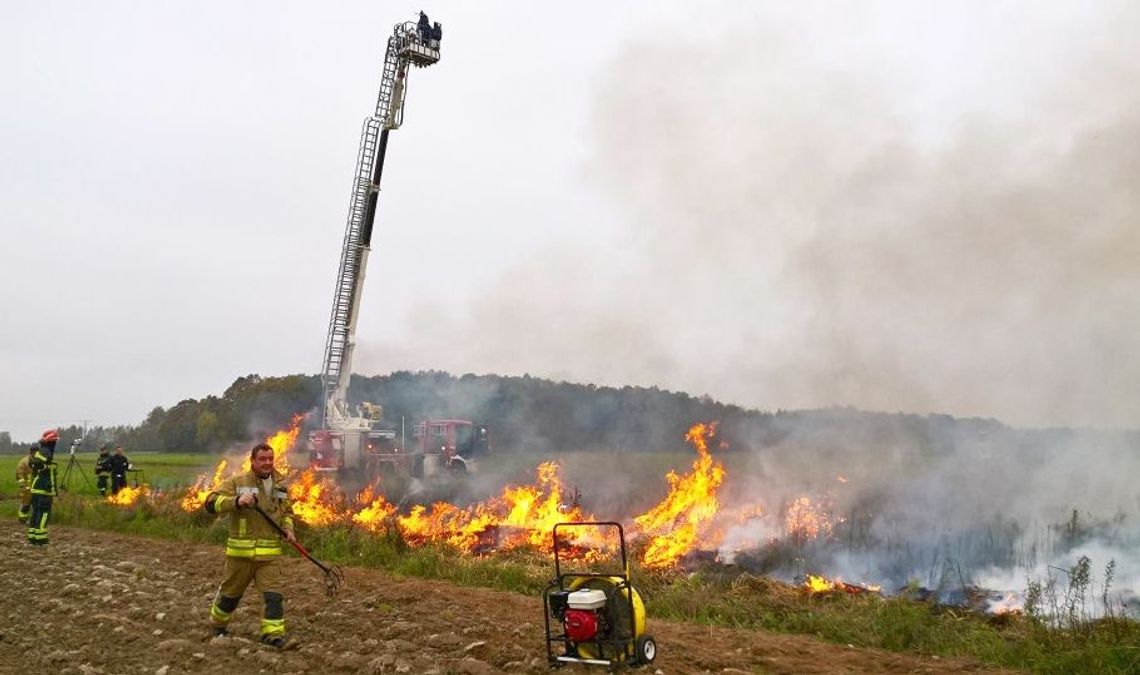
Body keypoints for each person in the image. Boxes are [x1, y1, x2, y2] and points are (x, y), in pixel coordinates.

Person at [204, 443, 297, 647]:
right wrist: (236, 501)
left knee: (273, 597)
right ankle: (218, 624)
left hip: (269, 557)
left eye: (270, 459)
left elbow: (287, 513)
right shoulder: (237, 482)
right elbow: (210, 502)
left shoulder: (280, 486)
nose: (267, 463)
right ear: (252, 461)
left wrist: (288, 529)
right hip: (240, 555)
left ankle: (273, 635)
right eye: (262, 459)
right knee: (230, 596)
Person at [27, 430, 59, 545]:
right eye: (55, 441)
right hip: (44, 489)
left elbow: (34, 464)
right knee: (44, 513)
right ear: (51, 441)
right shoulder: (46, 452)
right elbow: (40, 464)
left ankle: (32, 537)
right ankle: (41, 539)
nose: (56, 443)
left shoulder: (40, 451)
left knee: (36, 512)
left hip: (36, 488)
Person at [16, 445, 35, 523]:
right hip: (26, 487)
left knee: (34, 503)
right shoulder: (24, 461)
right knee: (26, 503)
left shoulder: (36, 460)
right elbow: (19, 473)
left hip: (35, 486)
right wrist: (23, 485)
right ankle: (22, 518)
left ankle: (30, 518)